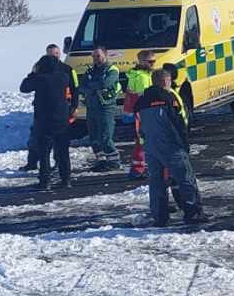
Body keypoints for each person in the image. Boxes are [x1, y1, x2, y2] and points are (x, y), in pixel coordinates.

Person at [135, 65, 204, 225]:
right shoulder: (169, 98)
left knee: (156, 181)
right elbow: (180, 122)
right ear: (165, 80)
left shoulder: (141, 101)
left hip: (151, 146)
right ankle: (193, 212)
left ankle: (160, 216)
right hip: (171, 145)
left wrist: (145, 142)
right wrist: (184, 143)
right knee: (185, 178)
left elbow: (138, 126)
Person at [19, 55, 75, 191]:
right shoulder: (63, 77)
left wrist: (33, 73)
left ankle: (45, 181)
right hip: (62, 120)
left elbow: (24, 87)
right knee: (62, 152)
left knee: (44, 153)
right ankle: (66, 179)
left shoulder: (40, 79)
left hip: (44, 121)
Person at [79, 47, 123, 170]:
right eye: (93, 56)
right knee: (94, 136)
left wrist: (91, 85)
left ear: (105, 55)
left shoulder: (112, 70)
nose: (95, 59)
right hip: (91, 106)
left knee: (105, 135)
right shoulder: (90, 71)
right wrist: (94, 86)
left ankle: (114, 161)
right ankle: (101, 160)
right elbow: (82, 87)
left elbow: (105, 84)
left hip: (106, 106)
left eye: (98, 56)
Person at [122, 51, 158, 179]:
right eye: (150, 62)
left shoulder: (140, 75)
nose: (153, 64)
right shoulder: (142, 77)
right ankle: (138, 170)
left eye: (154, 61)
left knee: (142, 142)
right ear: (142, 62)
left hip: (140, 114)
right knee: (143, 142)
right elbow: (145, 98)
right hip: (143, 114)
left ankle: (138, 169)